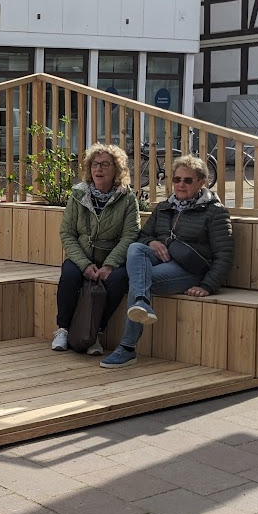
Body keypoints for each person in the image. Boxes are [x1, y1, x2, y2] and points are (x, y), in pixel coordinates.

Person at [101, 155, 234, 368]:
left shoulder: (214, 212)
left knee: (140, 280)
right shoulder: (164, 207)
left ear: (202, 182)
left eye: (188, 180)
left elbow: (224, 253)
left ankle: (127, 346)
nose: (180, 185)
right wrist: (152, 242)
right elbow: (141, 236)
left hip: (190, 270)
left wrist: (207, 285)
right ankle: (142, 304)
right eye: (177, 179)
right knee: (136, 249)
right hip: (162, 260)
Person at [52, 144, 139, 355]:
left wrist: (110, 264)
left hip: (111, 259)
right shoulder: (78, 195)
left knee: (119, 279)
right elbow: (67, 233)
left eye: (105, 164)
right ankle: (62, 329)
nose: (98, 169)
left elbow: (131, 235)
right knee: (70, 274)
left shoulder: (128, 199)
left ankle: (94, 333)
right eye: (95, 164)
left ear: (117, 170)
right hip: (81, 256)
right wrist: (84, 264)